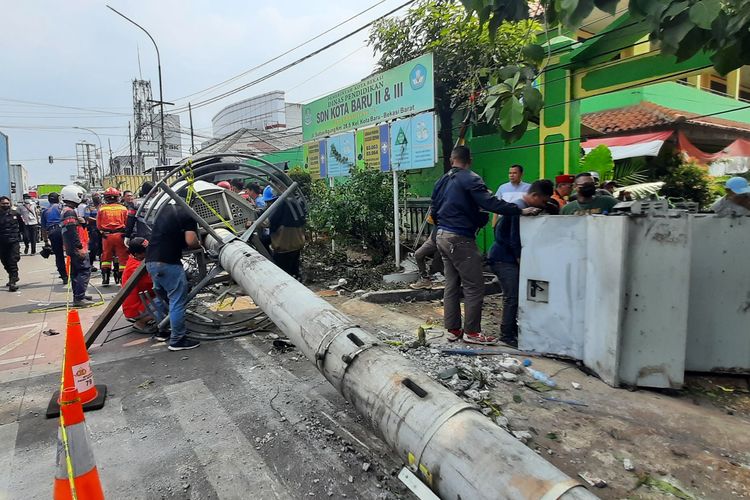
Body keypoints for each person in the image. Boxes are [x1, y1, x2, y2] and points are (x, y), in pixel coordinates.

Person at [432, 146, 540, 345]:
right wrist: (520, 211)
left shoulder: (442, 180)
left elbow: (434, 207)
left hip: (442, 236)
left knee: (452, 284)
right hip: (460, 237)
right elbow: (492, 204)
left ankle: (453, 329)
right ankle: (472, 332)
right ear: (469, 160)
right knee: (474, 285)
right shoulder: (470, 178)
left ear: (451, 160)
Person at [488, 180, 553, 347]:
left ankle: (513, 331)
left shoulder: (522, 208)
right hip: (503, 258)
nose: (543, 205)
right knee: (512, 296)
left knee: (515, 296)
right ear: (534, 196)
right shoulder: (518, 208)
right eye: (543, 201)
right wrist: (521, 260)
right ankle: (506, 335)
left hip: (505, 257)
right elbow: (513, 238)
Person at [145, 203, 201, 351]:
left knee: (165, 298)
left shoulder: (165, 210)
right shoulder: (189, 213)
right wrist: (199, 245)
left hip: (151, 261)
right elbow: (191, 241)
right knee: (177, 301)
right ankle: (177, 340)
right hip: (168, 262)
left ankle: (163, 330)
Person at [60, 185, 93, 306]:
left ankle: (79, 295)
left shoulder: (67, 211)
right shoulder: (69, 212)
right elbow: (71, 232)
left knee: (75, 272)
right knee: (84, 270)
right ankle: (79, 298)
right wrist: (79, 247)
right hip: (76, 247)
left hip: (71, 247)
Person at [121, 237, 159, 334]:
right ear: (137, 254)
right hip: (135, 309)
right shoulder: (135, 268)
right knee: (171, 298)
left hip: (141, 302)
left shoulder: (136, 259)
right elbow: (156, 281)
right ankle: (140, 323)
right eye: (146, 251)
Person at [267, 192, 307, 279]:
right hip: (297, 243)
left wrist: (253, 223)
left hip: (284, 245)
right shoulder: (298, 200)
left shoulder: (281, 203)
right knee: (294, 270)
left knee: (283, 275)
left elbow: (268, 221)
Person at [97, 187, 130, 285]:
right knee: (123, 258)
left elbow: (98, 225)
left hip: (107, 236)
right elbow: (127, 223)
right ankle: (122, 280)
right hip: (120, 235)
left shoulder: (102, 209)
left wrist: (102, 232)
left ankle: (105, 279)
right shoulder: (123, 209)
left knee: (106, 257)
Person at [410, 212, 444, 290]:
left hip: (446, 238)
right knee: (419, 254)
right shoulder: (440, 203)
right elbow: (430, 220)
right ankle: (425, 279)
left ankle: (453, 293)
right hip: (434, 237)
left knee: (440, 266)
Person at [41, 192, 68, 283]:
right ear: (58, 199)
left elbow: (43, 228)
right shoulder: (62, 208)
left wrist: (45, 241)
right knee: (71, 252)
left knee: (59, 255)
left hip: (52, 232)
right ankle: (75, 273)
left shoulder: (45, 211)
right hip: (64, 230)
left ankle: (64, 276)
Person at [0, 196, 23, 292]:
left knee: (13, 260)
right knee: (5, 262)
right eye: (3, 203)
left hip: (14, 241)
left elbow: (22, 226)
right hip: (2, 242)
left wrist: (25, 238)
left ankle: (13, 281)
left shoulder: (15, 213)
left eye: (7, 203)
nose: (6, 205)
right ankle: (12, 276)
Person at [84, 193, 102, 271]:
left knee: (102, 248)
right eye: (95, 197)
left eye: (98, 197)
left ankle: (104, 266)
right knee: (93, 247)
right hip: (93, 229)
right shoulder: (89, 207)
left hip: (102, 229)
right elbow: (87, 217)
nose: (97, 198)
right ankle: (90, 264)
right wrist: (98, 220)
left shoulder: (103, 206)